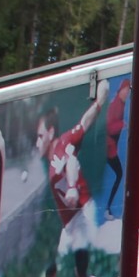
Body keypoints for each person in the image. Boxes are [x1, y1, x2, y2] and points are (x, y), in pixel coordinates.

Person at [38, 90, 103, 230]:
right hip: (71, 224)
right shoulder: (51, 164)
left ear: (50, 133)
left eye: (40, 136)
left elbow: (71, 161)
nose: (37, 144)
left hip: (84, 214)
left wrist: (99, 103)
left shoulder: (63, 144)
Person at [101, 79, 131, 215]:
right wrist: (122, 124)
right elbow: (108, 127)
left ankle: (109, 207)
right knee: (119, 174)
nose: (127, 93)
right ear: (121, 89)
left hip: (111, 148)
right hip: (108, 148)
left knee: (119, 174)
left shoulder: (122, 103)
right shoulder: (116, 105)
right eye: (126, 90)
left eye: (129, 91)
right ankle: (108, 208)